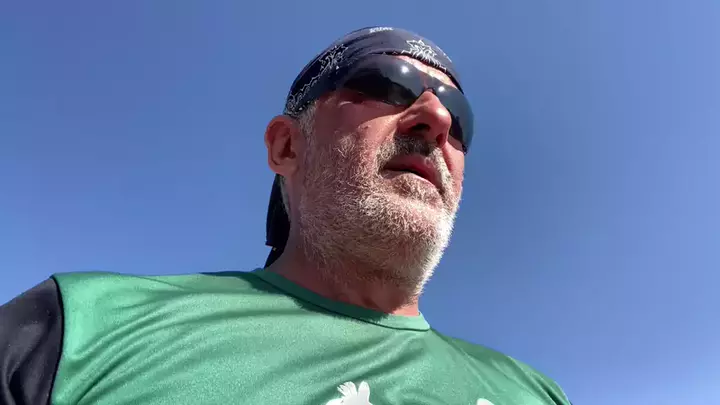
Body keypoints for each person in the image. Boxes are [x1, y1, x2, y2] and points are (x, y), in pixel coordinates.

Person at [0, 27, 572, 405]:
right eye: (387, 84)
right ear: (287, 146)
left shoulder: (534, 393)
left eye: (459, 115)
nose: (436, 119)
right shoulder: (83, 326)